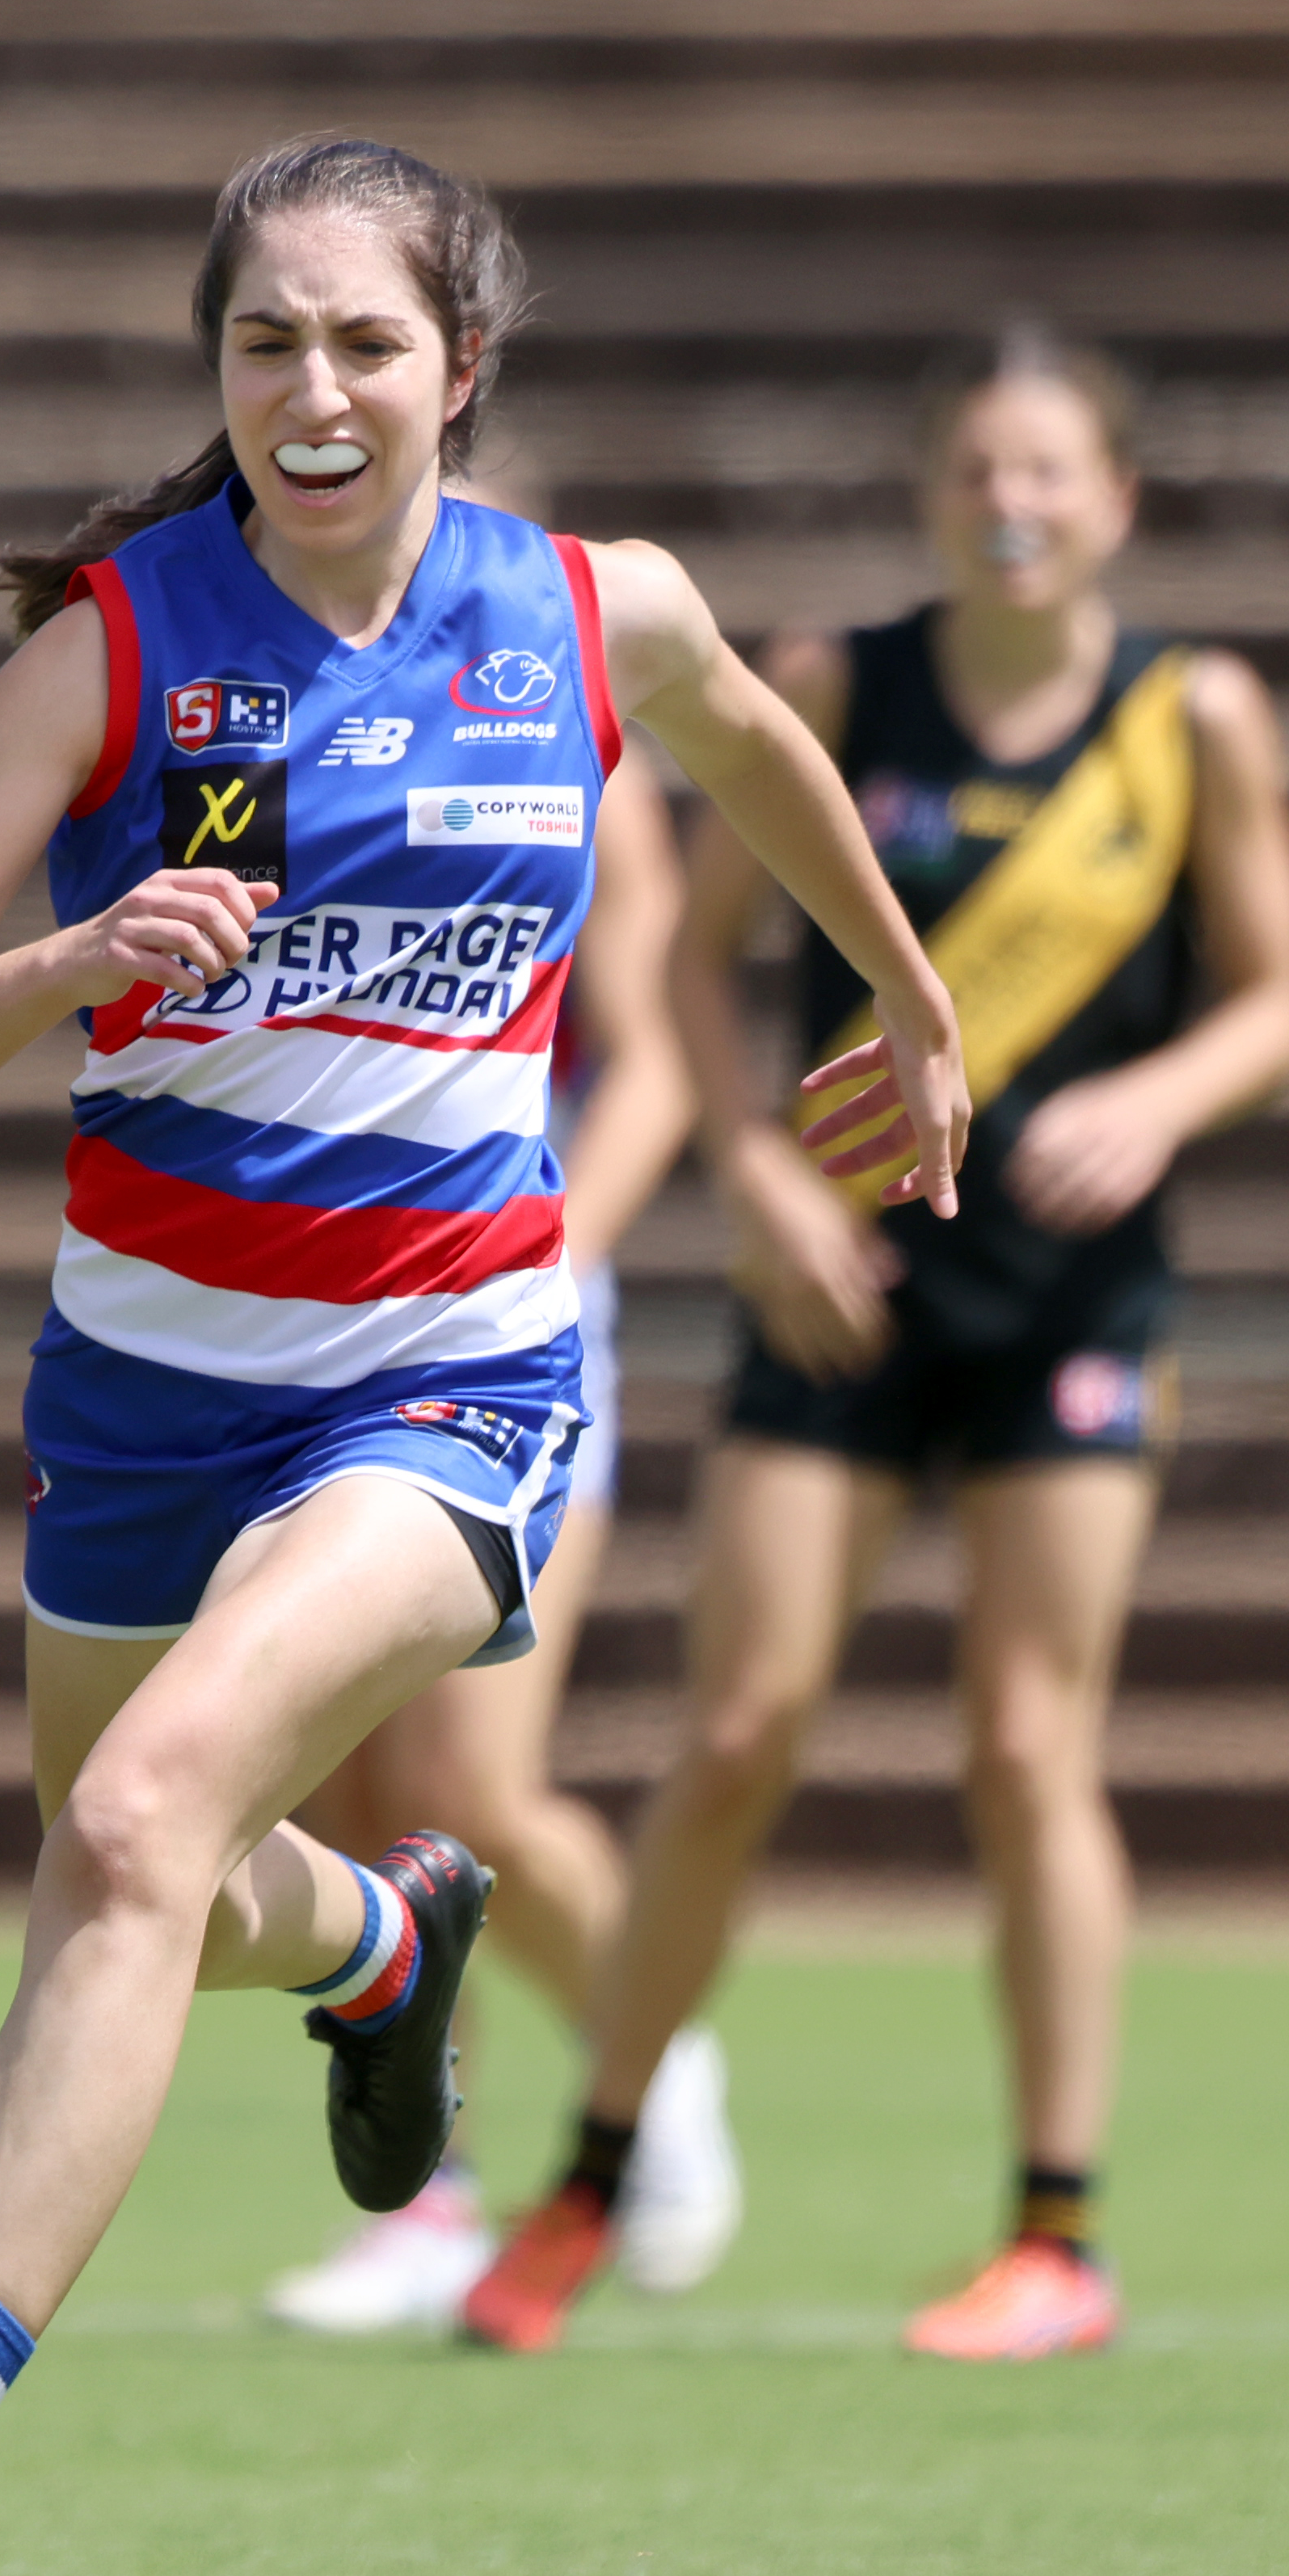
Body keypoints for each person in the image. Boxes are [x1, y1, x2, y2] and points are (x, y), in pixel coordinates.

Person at [0, 133, 963, 2576]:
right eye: (266, 341)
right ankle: (388, 1958)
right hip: (149, 1393)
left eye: (366, 341)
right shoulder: (106, 649)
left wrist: (906, 993)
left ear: (461, 370)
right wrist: (71, 964)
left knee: (140, 1811)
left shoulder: (590, 614)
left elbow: (748, 745)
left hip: (451, 1377)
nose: (314, 389)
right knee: (151, 1897)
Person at [463, 322, 1289, 2363]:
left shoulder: (1193, 713)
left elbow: (1281, 999)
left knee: (1030, 1748)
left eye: (1048, 473)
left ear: (1113, 498)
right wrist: (749, 1171)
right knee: (738, 1731)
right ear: (931, 488)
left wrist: (1166, 1096)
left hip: (1070, 1309)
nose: (1008, 505)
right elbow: (675, 964)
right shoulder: (841, 680)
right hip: (835, 1290)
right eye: (974, 470)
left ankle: (1057, 2230)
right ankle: (592, 2176)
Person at [252, 737, 748, 2334]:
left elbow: (661, 1052)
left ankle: (645, 2062)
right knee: (340, 1784)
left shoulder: (571, 750)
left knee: (470, 1791)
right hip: (319, 1309)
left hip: (510, 1321)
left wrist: (541, 1263)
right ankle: (430, 2187)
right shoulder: (281, 728)